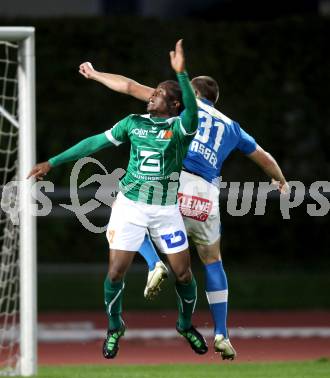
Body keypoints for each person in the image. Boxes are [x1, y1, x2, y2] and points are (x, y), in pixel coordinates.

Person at [79, 61, 290, 361]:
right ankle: (221, 334)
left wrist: (96, 74)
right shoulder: (231, 126)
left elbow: (128, 86)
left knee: (128, 209)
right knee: (212, 260)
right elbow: (264, 156)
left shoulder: (181, 109)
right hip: (206, 196)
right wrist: (280, 180)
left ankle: (154, 264)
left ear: (190, 94)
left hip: (173, 181)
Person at [28, 40, 209, 359]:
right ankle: (115, 327)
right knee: (115, 272)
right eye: (152, 92)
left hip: (166, 209)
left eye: (158, 94)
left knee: (184, 273)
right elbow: (96, 140)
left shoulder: (181, 128)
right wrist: (53, 162)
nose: (150, 96)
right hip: (131, 204)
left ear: (174, 105)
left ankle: (184, 324)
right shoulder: (133, 123)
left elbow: (192, 113)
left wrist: (181, 74)